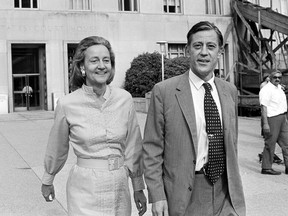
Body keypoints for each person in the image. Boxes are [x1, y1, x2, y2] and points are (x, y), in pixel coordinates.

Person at [142, 21, 246, 215]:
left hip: (225, 193)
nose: (204, 52)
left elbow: (233, 143)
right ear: (187, 50)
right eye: (197, 46)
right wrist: (157, 196)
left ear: (220, 53)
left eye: (211, 46)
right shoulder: (164, 91)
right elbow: (151, 149)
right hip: (184, 194)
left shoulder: (229, 91)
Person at [41, 36, 147, 215]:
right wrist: (48, 179)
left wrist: (138, 186)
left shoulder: (125, 99)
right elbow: (57, 147)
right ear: (82, 67)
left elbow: (133, 147)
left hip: (120, 185)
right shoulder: (67, 104)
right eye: (94, 60)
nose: (101, 65)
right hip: (84, 188)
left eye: (106, 60)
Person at [259, 70, 288, 175]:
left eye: (279, 77)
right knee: (270, 144)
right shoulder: (266, 90)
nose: (277, 79)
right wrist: (265, 124)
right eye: (275, 77)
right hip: (272, 118)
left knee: (286, 143)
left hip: (282, 117)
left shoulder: (279, 88)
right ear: (270, 78)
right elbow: (264, 108)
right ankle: (266, 167)